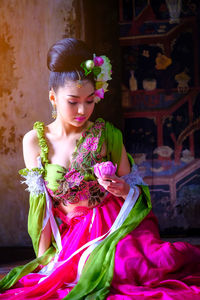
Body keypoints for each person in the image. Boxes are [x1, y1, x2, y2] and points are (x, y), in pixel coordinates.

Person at [0, 38, 200, 300]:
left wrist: (123, 188)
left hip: (116, 224)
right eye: (73, 102)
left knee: (132, 269)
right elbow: (42, 208)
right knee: (79, 275)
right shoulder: (35, 142)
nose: (83, 110)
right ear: (53, 97)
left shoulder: (108, 134)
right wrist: (44, 262)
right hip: (74, 236)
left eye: (90, 100)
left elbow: (138, 194)